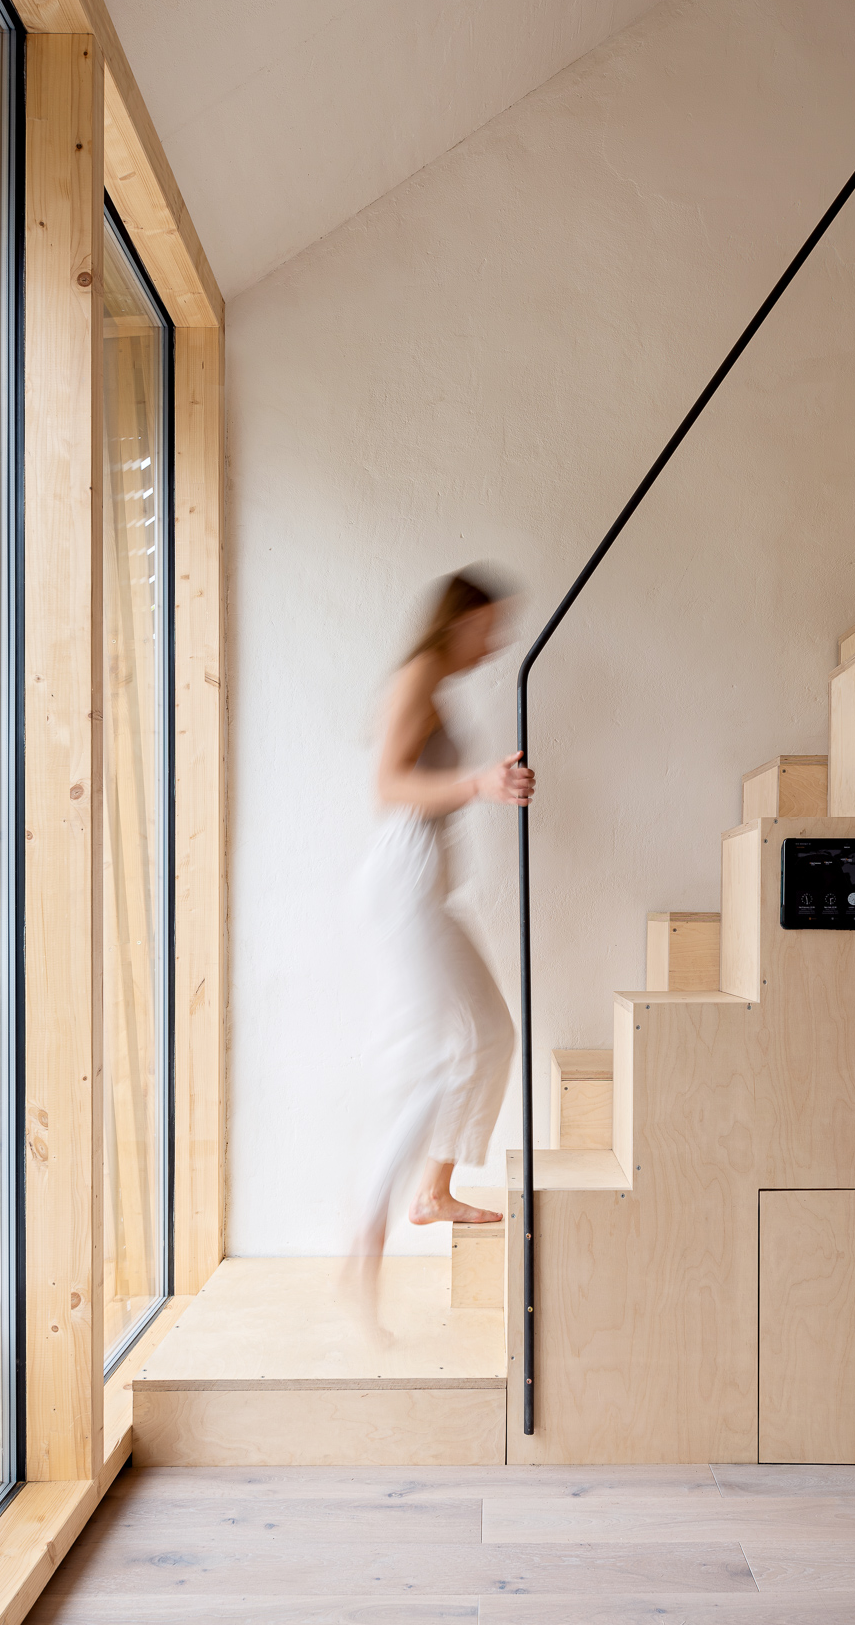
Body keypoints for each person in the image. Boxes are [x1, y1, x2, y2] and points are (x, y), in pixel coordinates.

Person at [346, 567, 533, 1323]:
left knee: (491, 1034)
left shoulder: (434, 682)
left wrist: (486, 784)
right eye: (489, 628)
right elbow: (387, 785)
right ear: (458, 621)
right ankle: (367, 1228)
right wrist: (478, 785)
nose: (495, 645)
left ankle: (432, 1190)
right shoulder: (417, 673)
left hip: (426, 885)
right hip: (400, 881)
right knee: (431, 1060)